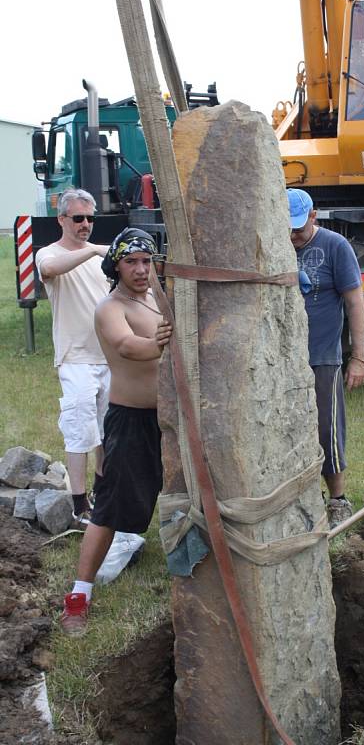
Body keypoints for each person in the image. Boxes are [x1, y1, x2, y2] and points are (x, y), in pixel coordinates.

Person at [60, 228, 172, 637]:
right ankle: (78, 595)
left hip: (172, 420)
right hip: (130, 421)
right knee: (109, 509)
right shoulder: (110, 307)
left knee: (184, 494)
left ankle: (189, 568)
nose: (141, 269)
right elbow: (127, 347)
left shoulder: (156, 299)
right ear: (116, 266)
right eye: (132, 262)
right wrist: (160, 341)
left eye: (147, 261)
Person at [287, 188, 364, 527]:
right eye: (287, 229)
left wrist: (358, 358)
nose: (293, 236)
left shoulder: (335, 247)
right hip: (284, 361)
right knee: (289, 429)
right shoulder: (276, 246)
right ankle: (304, 497)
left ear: (314, 216)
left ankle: (337, 500)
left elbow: (355, 304)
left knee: (327, 428)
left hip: (322, 356)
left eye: (299, 228)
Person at [35, 189, 110, 526]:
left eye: (90, 218)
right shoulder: (48, 253)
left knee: (109, 431)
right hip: (76, 358)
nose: (85, 225)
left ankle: (102, 494)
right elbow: (50, 268)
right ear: (62, 219)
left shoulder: (100, 258)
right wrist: (93, 249)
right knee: (80, 432)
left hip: (110, 357)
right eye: (78, 218)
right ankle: (79, 505)